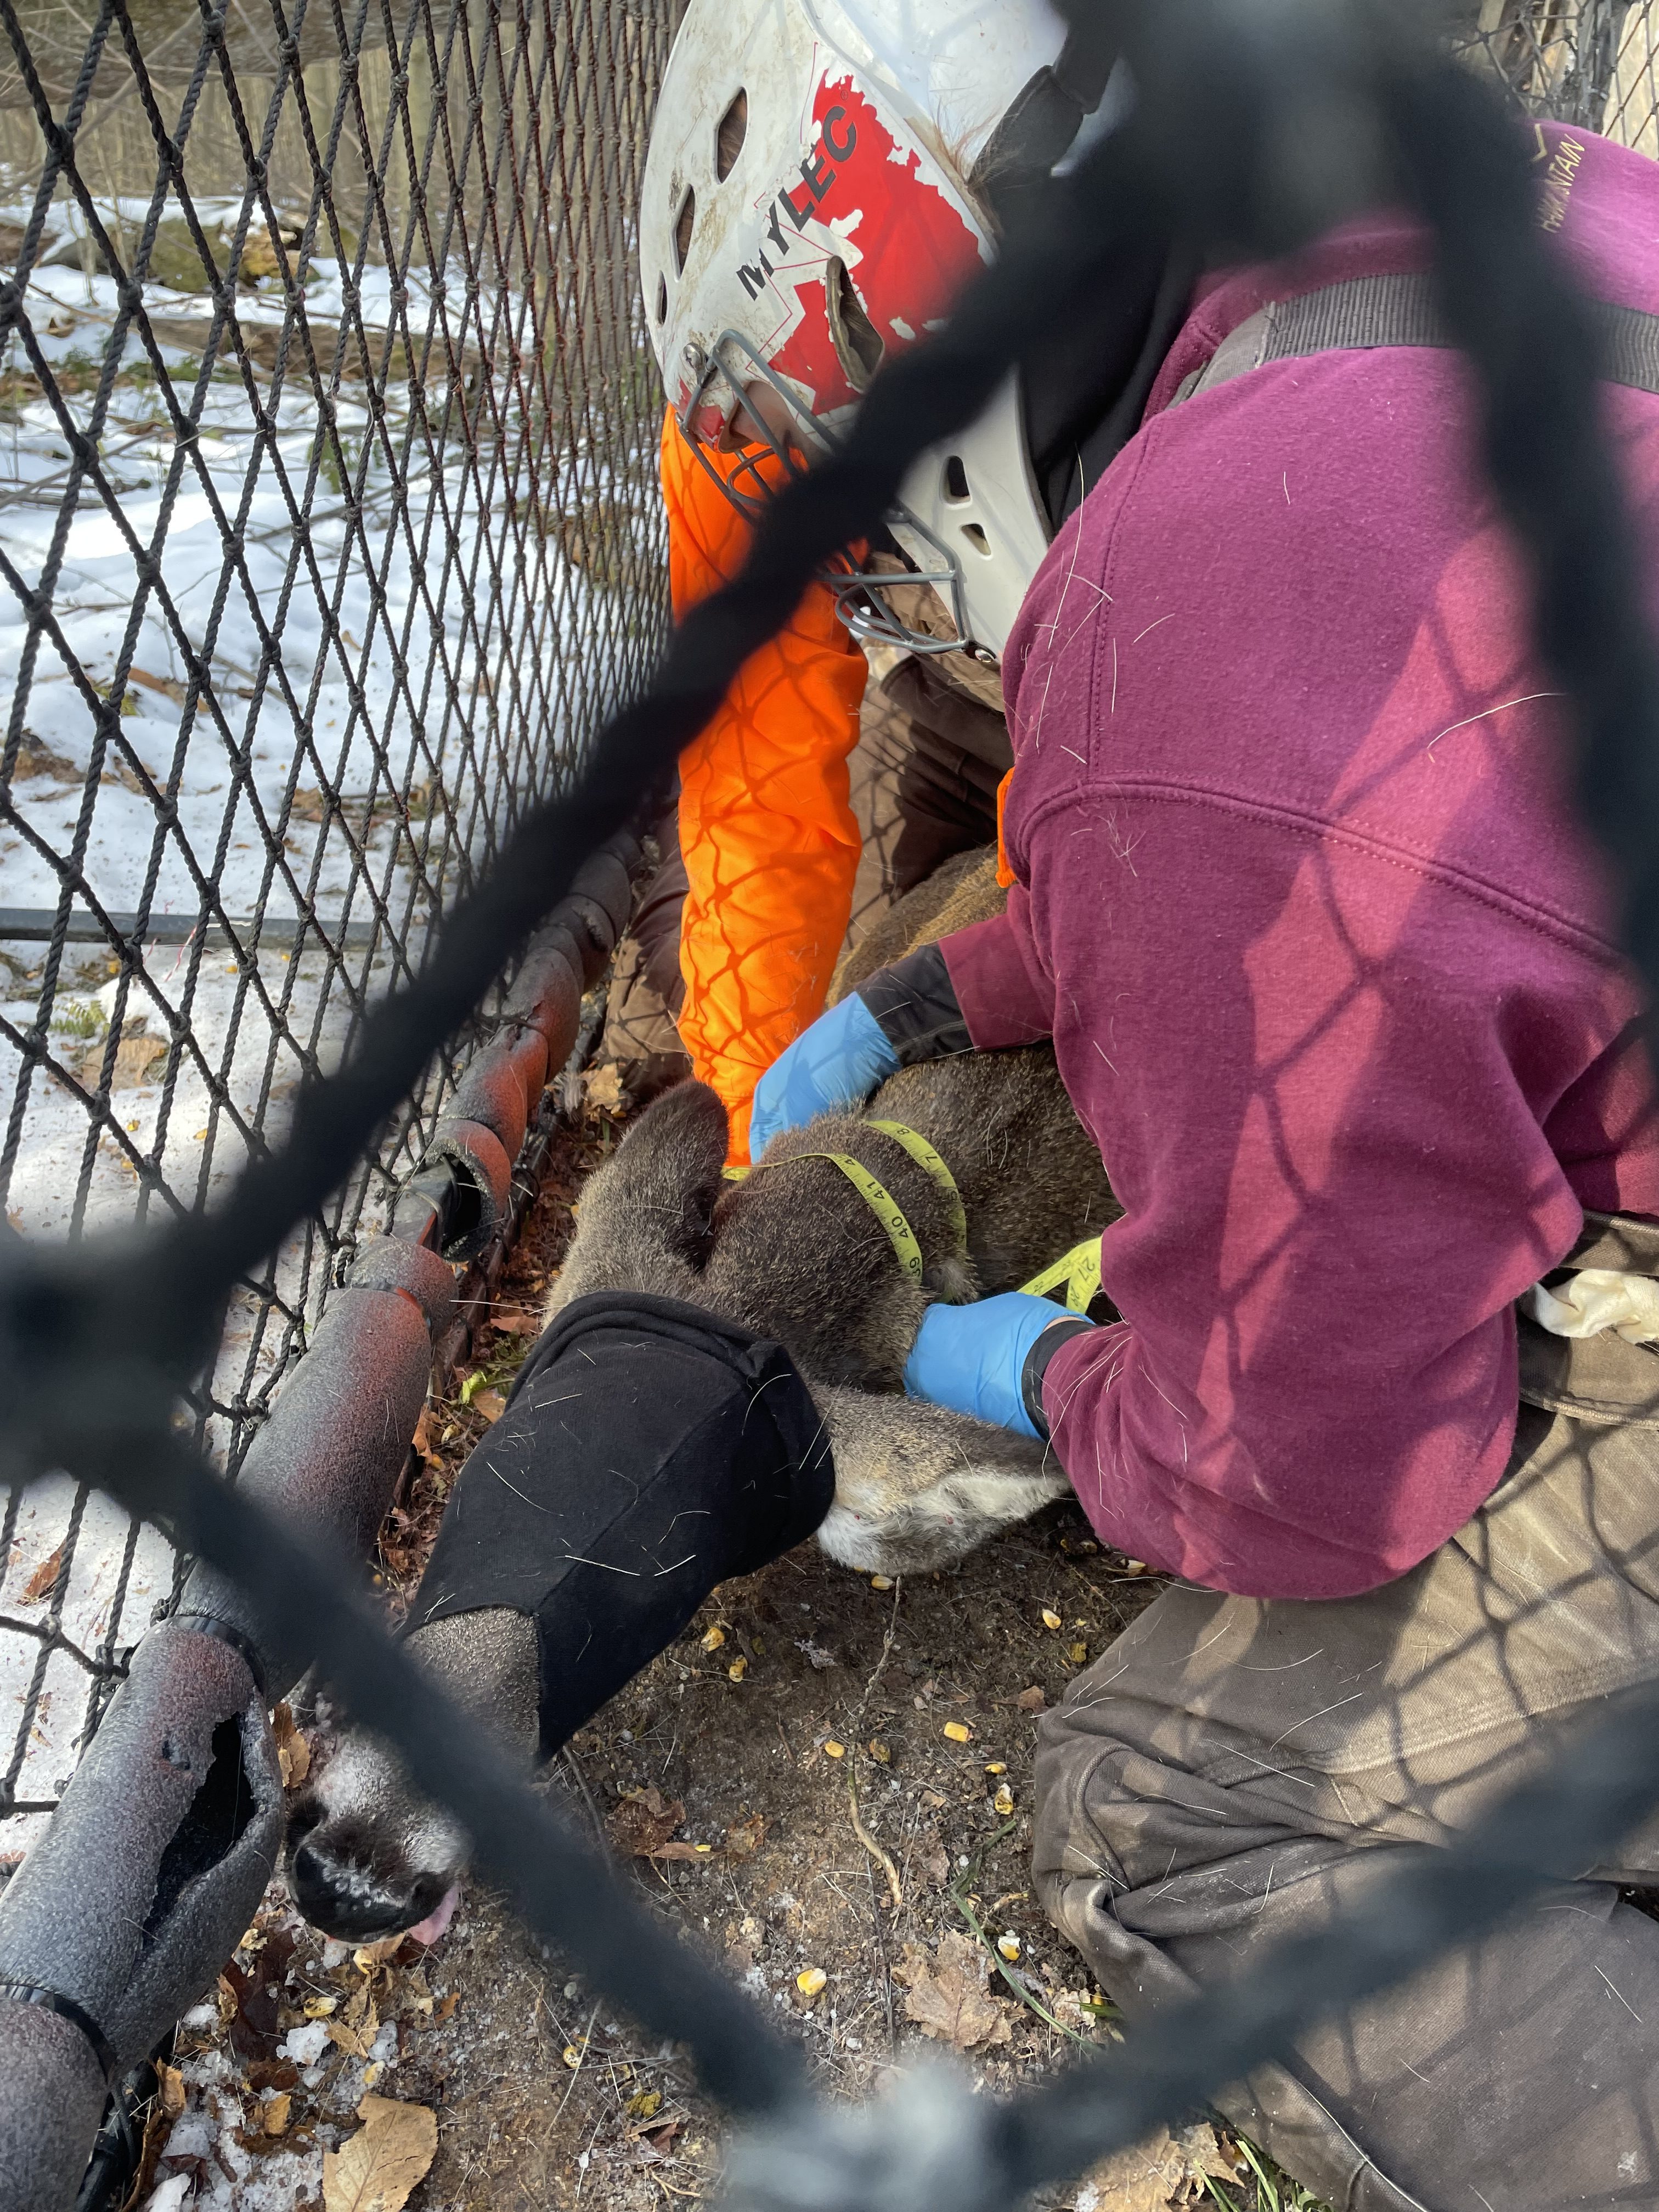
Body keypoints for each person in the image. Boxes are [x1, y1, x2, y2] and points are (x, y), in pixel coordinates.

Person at [732, 49, 1659, 2212]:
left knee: (1184, 1813)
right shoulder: (1535, 207)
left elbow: (1305, 1487)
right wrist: (933, 996)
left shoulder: (1157, 585)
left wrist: (1044, 1378)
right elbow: (1399, 830)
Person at [612, 0, 1182, 1158]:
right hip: (957, 691)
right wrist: (742, 1146)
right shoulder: (736, 394)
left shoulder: (1244, 328)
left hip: (1163, 707)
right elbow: (754, 780)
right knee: (712, 1030)